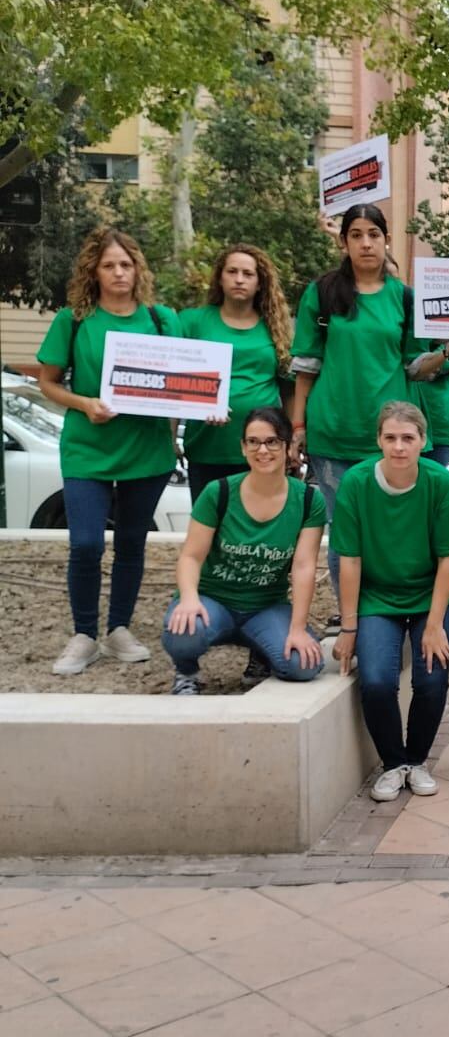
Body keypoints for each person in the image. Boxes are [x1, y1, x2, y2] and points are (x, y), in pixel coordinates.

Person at [290, 205, 449, 625]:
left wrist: (448, 351)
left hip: (393, 437)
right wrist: (298, 426)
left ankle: (384, 613)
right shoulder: (321, 293)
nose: (366, 242)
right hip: (332, 433)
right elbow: (306, 368)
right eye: (356, 234)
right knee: (344, 534)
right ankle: (348, 614)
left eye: (373, 233)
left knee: (390, 531)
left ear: (386, 240)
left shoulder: (406, 298)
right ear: (344, 242)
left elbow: (415, 367)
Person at [36, 228, 180, 675]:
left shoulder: (162, 319)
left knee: (133, 543)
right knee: (85, 544)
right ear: (93, 273)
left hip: (147, 450)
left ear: (137, 269)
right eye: (109, 265)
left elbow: (182, 383)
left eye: (126, 264)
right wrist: (85, 404)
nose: (119, 272)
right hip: (88, 448)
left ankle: (118, 629)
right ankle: (84, 634)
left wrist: (193, 415)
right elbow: (47, 383)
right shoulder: (73, 320)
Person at [331, 402, 449, 802]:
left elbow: (448, 559)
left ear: (423, 442)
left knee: (431, 678)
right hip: (378, 595)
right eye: (390, 438)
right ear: (378, 440)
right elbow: (351, 560)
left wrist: (433, 626)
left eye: (408, 438)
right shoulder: (357, 483)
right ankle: (394, 764)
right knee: (376, 682)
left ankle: (418, 760)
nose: (398, 447)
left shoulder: (440, 482)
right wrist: (349, 626)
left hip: (432, 594)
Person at [161, 409, 326, 693]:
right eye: (253, 442)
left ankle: (261, 653)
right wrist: (188, 598)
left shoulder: (309, 500)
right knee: (183, 633)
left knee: (303, 665)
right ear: (243, 447)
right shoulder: (219, 492)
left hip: (265, 605)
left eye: (272, 441)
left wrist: (298, 629)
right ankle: (187, 673)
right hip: (214, 600)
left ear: (287, 447)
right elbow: (191, 555)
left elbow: (303, 567)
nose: (263, 450)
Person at [179, 245, 293, 502]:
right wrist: (170, 436)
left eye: (248, 274)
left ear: (260, 282)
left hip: (265, 450)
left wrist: (294, 436)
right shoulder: (192, 322)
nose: (239, 279)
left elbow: (289, 388)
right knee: (210, 529)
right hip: (207, 447)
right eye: (232, 271)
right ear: (220, 277)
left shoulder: (276, 328)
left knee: (258, 528)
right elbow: (174, 383)